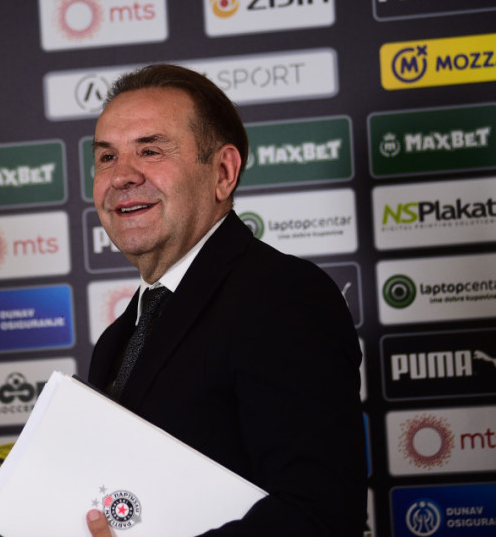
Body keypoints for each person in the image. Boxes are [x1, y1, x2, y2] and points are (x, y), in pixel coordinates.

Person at [84, 64, 366, 535]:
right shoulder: (118, 338)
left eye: (150, 150)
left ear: (223, 172)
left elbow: (320, 517)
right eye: (107, 157)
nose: (121, 177)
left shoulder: (283, 297)